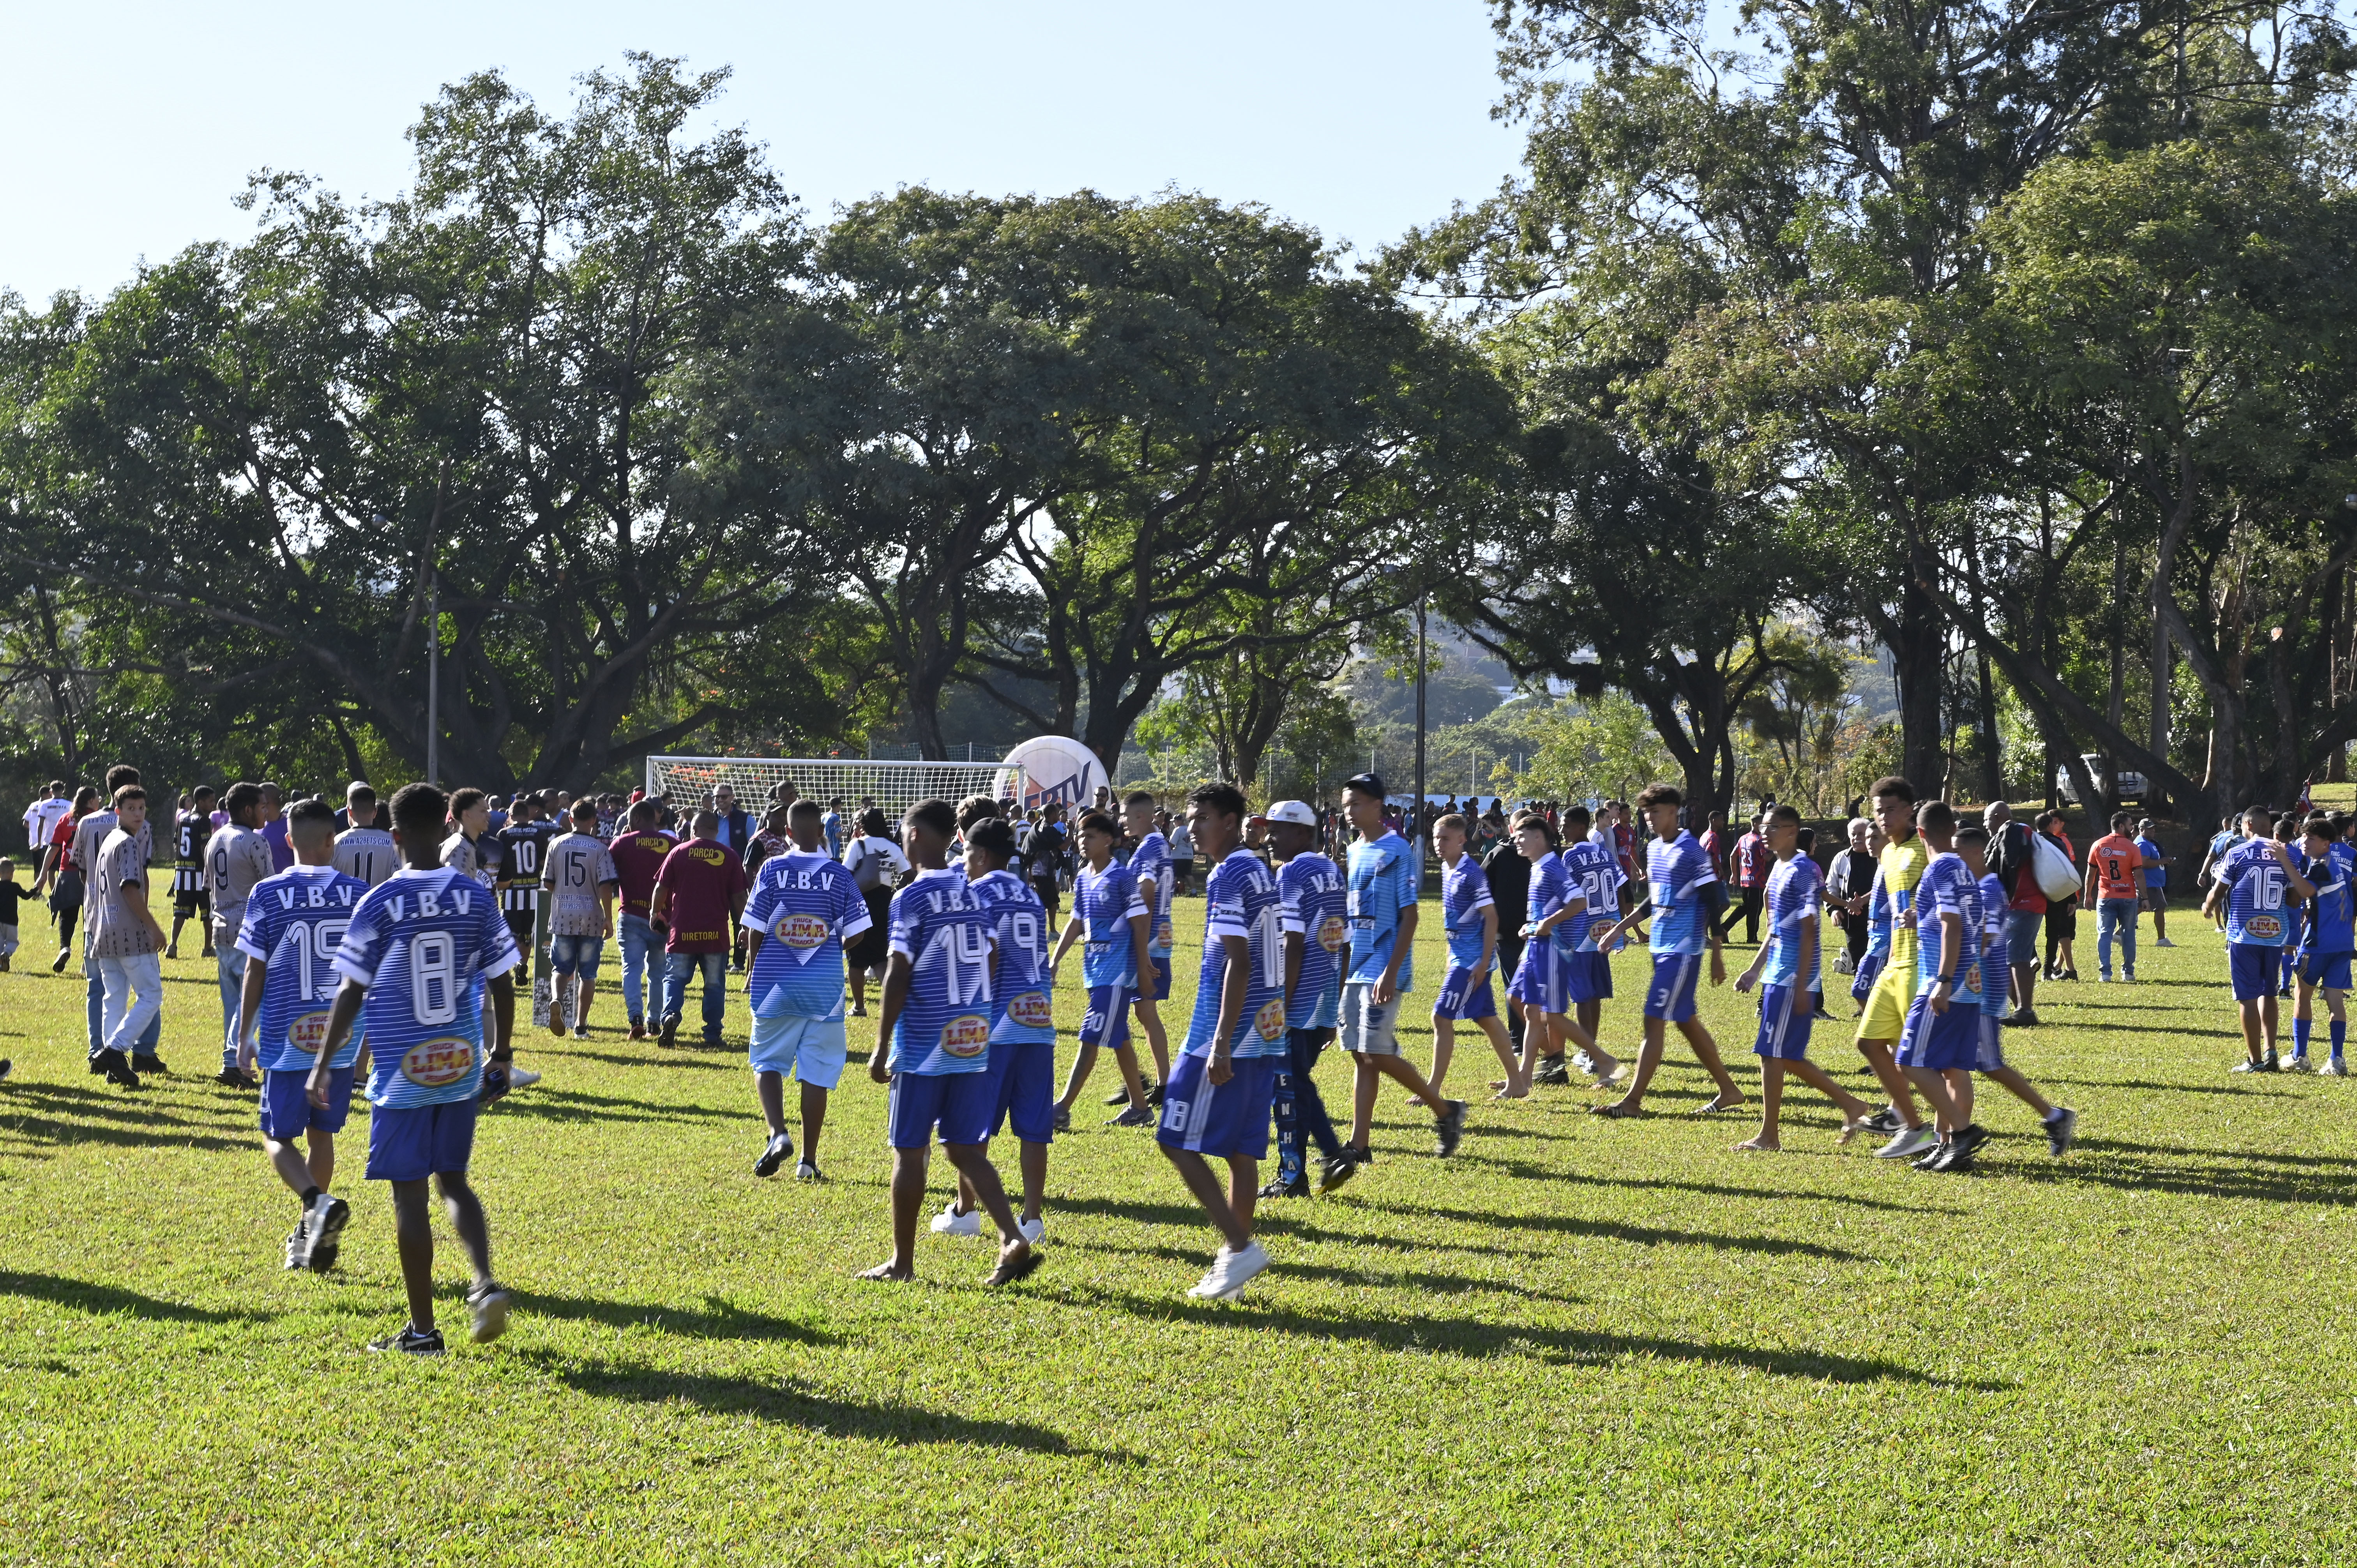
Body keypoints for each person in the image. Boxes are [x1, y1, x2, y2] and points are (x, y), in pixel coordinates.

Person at [311, 781, 521, 1355]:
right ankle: (483, 1281)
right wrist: (501, 1054)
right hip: (457, 1063)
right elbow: (502, 978)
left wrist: (324, 1066)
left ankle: (423, 1331)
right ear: (449, 823)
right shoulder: (475, 896)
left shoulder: (378, 903)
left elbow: (351, 990)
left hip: (402, 1072)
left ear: (395, 835)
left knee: (410, 1198)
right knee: (453, 1180)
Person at [859, 797, 1038, 1288]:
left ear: (914, 835)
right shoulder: (972, 893)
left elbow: (897, 972)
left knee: (909, 1151)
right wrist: (975, 1008)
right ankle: (1012, 1236)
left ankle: (902, 1262)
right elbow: (995, 953)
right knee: (964, 1149)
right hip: (973, 1039)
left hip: (923, 1044)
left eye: (902, 831)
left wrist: (881, 1046)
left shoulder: (910, 897)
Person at [1156, 782, 1288, 1300]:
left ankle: (1240, 1244)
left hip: (1229, 1033)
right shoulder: (1258, 867)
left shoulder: (1231, 872)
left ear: (1231, 821)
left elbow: (1240, 960)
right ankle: (1233, 1261)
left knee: (1174, 1138)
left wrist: (1221, 1041)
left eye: (1203, 817)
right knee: (1239, 1152)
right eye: (1191, 818)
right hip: (1263, 1032)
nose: (1193, 828)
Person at [233, 798, 372, 1271]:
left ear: (289, 840)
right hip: (340, 1034)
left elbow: (255, 968)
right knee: (321, 1135)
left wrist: (243, 1034)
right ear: (332, 841)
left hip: (284, 1033)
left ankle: (315, 1203)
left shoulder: (268, 892)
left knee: (275, 1136)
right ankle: (308, 1228)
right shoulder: (359, 893)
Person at [1590, 783, 1746, 1119]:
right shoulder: (1656, 849)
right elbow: (1653, 902)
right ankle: (1730, 1090)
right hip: (1661, 948)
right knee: (1686, 1022)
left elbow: (1713, 901)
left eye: (1656, 812)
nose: (1649, 818)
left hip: (1683, 951)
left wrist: (1717, 955)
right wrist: (1618, 929)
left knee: (1653, 1019)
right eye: (1646, 812)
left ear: (1675, 813)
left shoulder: (1691, 851)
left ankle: (1632, 1102)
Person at [1336, 773, 1467, 1169]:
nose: (1350, 811)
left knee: (1376, 1048)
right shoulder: (1354, 850)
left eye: (1357, 803)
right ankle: (1360, 1143)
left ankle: (1445, 1110)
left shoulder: (1397, 849)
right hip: (1357, 965)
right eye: (1346, 804)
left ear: (1378, 805)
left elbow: (1410, 916)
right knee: (1361, 1054)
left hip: (1382, 967)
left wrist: (1391, 971)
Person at [1732, 804, 1877, 1151]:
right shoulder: (1779, 869)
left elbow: (1811, 927)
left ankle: (1771, 1136)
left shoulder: (1802, 870)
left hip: (1793, 976)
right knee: (1782, 1055)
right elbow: (1776, 928)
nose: (1765, 832)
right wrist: (1755, 970)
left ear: (1792, 831)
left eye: (1772, 827)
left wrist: (1801, 983)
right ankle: (1851, 1106)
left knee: (1775, 1054)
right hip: (1778, 974)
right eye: (1764, 826)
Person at [742, 798, 871, 1182]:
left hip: (774, 981)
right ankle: (809, 1160)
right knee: (816, 1072)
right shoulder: (839, 874)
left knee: (767, 1061)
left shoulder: (772, 868)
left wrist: (752, 968)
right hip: (824, 986)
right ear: (822, 833)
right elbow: (859, 933)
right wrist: (827, 946)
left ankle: (778, 1132)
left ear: (788, 833)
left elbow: (755, 929)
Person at [937, 817, 1054, 1239]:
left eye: (966, 851)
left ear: (982, 855)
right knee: (1034, 1126)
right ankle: (1034, 1218)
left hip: (996, 1026)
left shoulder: (975, 892)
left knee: (972, 1124)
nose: (962, 860)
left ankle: (966, 1212)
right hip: (1038, 1019)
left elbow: (985, 956)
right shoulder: (1031, 894)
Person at [1956, 823, 2080, 1159]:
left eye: (1959, 852)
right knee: (1954, 1064)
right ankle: (1952, 1137)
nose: (1954, 858)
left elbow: (1983, 940)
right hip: (1969, 988)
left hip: (1982, 989)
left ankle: (2053, 1116)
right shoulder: (1974, 887)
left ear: (1976, 853)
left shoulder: (1991, 888)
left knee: (1987, 1064)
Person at [1843, 776, 1938, 1158]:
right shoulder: (1888, 854)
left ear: (1911, 810)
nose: (1883, 818)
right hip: (1894, 961)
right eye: (1878, 811)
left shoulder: (1924, 850)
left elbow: (1956, 892)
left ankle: (1948, 1130)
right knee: (1868, 1042)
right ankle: (1909, 1121)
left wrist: (1927, 915)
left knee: (1921, 1057)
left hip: (1921, 963)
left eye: (1891, 809)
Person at [1889, 800, 1986, 1171]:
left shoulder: (1940, 867)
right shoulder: (1961, 867)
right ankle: (1947, 1146)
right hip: (1970, 981)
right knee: (1952, 1068)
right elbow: (1957, 919)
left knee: (1910, 1061)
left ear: (1922, 832)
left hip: (1945, 980)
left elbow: (1952, 924)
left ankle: (1962, 1133)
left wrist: (1944, 980)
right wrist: (1921, 917)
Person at [1048, 810, 1157, 1127]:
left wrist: (1142, 969)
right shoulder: (1083, 876)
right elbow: (1077, 922)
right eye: (1081, 836)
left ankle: (1062, 1109)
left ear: (1109, 840)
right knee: (1120, 1038)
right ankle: (1140, 1107)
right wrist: (1055, 960)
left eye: (1091, 836)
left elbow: (1140, 925)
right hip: (1095, 973)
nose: (1083, 841)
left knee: (1090, 1037)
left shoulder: (1122, 879)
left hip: (1117, 974)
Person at [1263, 800, 1348, 1199]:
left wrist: (1282, 1000)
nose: (1269, 837)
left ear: (1303, 833)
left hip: (1298, 997)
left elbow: (1293, 942)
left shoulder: (1293, 873)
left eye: (1278, 829)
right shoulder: (1332, 871)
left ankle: (1293, 1176)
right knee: (1299, 1084)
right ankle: (1332, 1153)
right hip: (1325, 992)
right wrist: (1336, 1003)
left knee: (1287, 1089)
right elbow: (1343, 941)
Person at [2203, 808, 2307, 1072]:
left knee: (2247, 998)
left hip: (2243, 934)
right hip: (2275, 935)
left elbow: (2218, 891)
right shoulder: (2288, 854)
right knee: (2269, 992)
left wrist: (2207, 907)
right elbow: (2295, 900)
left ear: (2248, 824)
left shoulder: (2237, 853)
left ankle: (2254, 1060)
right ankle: (2272, 1051)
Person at [1428, 812, 1523, 1101]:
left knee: (1440, 1018)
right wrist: (1449, 953)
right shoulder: (1448, 869)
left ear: (1461, 840)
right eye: (1436, 838)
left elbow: (1491, 918)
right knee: (1487, 1019)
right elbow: (1454, 920)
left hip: (1472, 962)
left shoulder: (1472, 873)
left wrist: (1483, 962)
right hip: (1461, 958)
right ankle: (1517, 1082)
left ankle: (1432, 1089)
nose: (1438, 844)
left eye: (1445, 838)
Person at [88, 785, 166, 1091]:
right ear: (117, 811)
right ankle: (115, 1051)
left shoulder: (109, 841)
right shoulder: (129, 844)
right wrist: (153, 926)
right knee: (151, 995)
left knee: (115, 999)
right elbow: (130, 888)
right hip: (128, 932)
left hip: (103, 930)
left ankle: (112, 1063)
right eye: (131, 808)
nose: (138, 814)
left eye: (142, 808)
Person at [650, 810, 748, 1050]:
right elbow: (739, 897)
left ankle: (670, 1017)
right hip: (715, 934)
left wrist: (655, 913)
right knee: (714, 985)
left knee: (674, 979)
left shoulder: (678, 852)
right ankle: (712, 1034)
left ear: (693, 829)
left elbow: (661, 888)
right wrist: (745, 925)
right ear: (716, 831)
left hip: (682, 931)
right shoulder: (729, 856)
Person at [1556, 804, 1629, 1081]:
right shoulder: (1604, 854)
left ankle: (1590, 1054)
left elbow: (1568, 897)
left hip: (1580, 932)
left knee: (1582, 996)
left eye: (1565, 824)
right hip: (1604, 930)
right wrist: (1619, 926)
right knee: (1594, 993)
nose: (1562, 829)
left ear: (1578, 827)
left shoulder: (1570, 857)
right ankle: (1591, 1049)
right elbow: (1621, 888)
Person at [541, 799, 619, 1041]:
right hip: (591, 918)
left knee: (560, 969)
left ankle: (556, 999)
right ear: (595, 820)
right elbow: (606, 886)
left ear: (571, 819)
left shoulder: (556, 844)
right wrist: (608, 917)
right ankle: (581, 1025)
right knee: (588, 974)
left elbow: (548, 882)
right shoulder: (600, 849)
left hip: (563, 916)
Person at [1121, 790, 1177, 1100]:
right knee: (1143, 1011)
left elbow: (1146, 896)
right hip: (1157, 935)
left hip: (1150, 938)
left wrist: (1142, 950)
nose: (1122, 821)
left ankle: (1153, 1082)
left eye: (1127, 815)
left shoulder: (1149, 848)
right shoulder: (1156, 844)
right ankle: (1155, 1081)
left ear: (1141, 817)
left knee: (1140, 1010)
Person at [2289, 812, 2354, 1075]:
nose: (2305, 841)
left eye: (2311, 838)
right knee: (2335, 999)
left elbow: (2306, 891)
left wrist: (2285, 861)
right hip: (2342, 942)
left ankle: (2299, 1056)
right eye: (2303, 835)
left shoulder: (2320, 866)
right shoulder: (2335, 864)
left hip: (2318, 943)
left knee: (2301, 994)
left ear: (2326, 843)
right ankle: (2337, 1060)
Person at [606, 800, 677, 1040]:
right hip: (663, 917)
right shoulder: (673, 844)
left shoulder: (622, 843)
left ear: (635, 819)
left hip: (632, 915)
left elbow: (609, 878)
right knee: (658, 974)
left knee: (632, 968)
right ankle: (654, 1022)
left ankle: (635, 1017)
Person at [494, 795, 558, 1021]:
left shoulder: (504, 834)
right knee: (529, 934)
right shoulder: (538, 834)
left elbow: (499, 861)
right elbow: (543, 862)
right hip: (533, 890)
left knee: (511, 932)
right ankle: (523, 963)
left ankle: (515, 964)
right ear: (528, 815)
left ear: (511, 816)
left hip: (512, 891)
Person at [842, 808, 909, 1018]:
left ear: (862, 825)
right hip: (885, 903)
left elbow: (845, 874)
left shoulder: (859, 843)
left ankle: (859, 1007)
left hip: (860, 903)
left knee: (856, 958)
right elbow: (909, 875)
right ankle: (900, 1004)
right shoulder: (893, 847)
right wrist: (896, 891)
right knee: (880, 958)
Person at [1986, 801, 2046, 1027]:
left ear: (1998, 816)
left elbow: (2006, 868)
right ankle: (2021, 1008)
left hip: (2025, 903)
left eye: (1987, 820)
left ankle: (2025, 1011)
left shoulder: (2012, 833)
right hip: (2024, 903)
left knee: (2018, 957)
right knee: (2008, 958)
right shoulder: (2023, 833)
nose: (1986, 825)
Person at [2085, 811, 2145, 983]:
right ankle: (2128, 972)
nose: (2132, 828)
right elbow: (2139, 874)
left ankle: (2105, 972)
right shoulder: (2133, 847)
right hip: (2128, 897)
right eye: (2130, 825)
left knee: (2104, 934)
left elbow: (2091, 873)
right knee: (2128, 934)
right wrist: (2146, 897)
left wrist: (2088, 895)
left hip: (2106, 897)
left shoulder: (2098, 845)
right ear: (2121, 826)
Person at [166, 784, 217, 960]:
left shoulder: (183, 818)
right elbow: (205, 848)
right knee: (208, 913)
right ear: (201, 801)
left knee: (180, 911)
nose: (214, 804)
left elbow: (176, 842)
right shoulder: (204, 820)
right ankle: (207, 948)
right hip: (200, 873)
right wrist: (211, 869)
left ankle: (172, 946)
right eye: (211, 801)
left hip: (182, 872)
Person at [1825, 818, 1876, 975]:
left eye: (1861, 834)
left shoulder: (1880, 856)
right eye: (1853, 834)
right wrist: (1834, 910)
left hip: (1878, 919)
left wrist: (1864, 900)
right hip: (1852, 921)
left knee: (1877, 964)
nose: (1856, 838)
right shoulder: (1841, 858)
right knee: (1859, 965)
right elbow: (1830, 887)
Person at [333, 785, 399, 888]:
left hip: (347, 903)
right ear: (375, 812)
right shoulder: (392, 842)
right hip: (379, 903)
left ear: (349, 811)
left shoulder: (337, 842)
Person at [1717, 813, 1769, 943]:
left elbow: (1733, 855)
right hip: (1757, 879)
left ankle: (1725, 927)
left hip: (1745, 879)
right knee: (1754, 910)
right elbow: (1766, 858)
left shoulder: (1743, 838)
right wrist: (1775, 849)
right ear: (1757, 824)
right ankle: (1752, 938)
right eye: (1763, 824)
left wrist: (1735, 874)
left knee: (1747, 907)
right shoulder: (1759, 840)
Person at [2041, 813, 2080, 981]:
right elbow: (2068, 869)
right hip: (2059, 891)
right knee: (2060, 931)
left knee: (2059, 931)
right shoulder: (2059, 842)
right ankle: (2055, 969)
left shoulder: (2033, 841)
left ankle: (2054, 965)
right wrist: (2072, 897)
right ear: (2050, 825)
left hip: (2038, 891)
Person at [440, 788, 494, 888]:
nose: (489, 815)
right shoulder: (459, 847)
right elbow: (457, 894)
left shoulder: (466, 844)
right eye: (483, 811)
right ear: (466, 814)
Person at [2136, 819, 2174, 947]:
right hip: (2149, 883)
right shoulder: (2143, 844)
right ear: (2141, 830)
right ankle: (2162, 940)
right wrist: (2162, 861)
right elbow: (2144, 863)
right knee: (2160, 907)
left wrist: (2164, 861)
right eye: (2149, 829)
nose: (2153, 830)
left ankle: (2118, 934)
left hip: (2151, 882)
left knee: (2139, 908)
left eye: (2153, 828)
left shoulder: (2148, 843)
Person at [24, 781, 70, 859]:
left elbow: (41, 824)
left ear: (51, 791)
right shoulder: (69, 804)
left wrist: (39, 842)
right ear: (63, 791)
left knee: (49, 868)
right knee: (61, 867)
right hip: (64, 840)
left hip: (49, 840)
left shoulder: (45, 804)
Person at [258, 783, 295, 873]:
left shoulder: (292, 825)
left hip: (286, 885)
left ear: (267, 802)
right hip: (263, 885)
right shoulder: (256, 826)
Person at [0, 856, 20, 974]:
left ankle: (1, 963)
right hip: (12, 921)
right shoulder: (15, 887)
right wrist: (36, 890)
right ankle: (7, 954)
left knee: (0, 941)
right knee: (13, 942)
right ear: (12, 874)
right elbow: (26, 896)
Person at [1167, 811, 1194, 898]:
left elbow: (1172, 844)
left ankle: (1173, 892)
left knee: (1175, 875)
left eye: (1174, 822)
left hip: (1179, 856)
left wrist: (1167, 851)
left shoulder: (1178, 830)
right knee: (1188, 874)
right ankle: (1194, 892)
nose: (1174, 824)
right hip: (1189, 855)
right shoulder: (1189, 830)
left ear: (1178, 821)